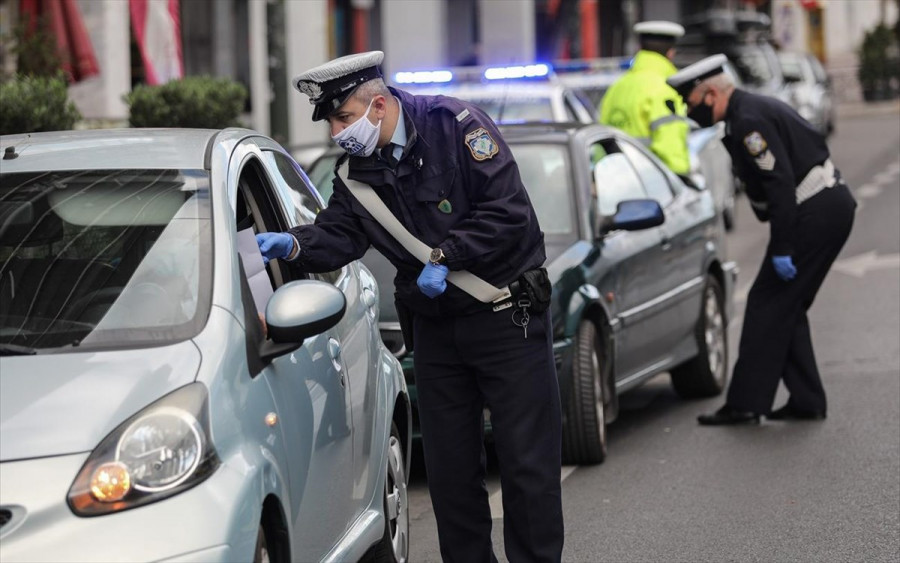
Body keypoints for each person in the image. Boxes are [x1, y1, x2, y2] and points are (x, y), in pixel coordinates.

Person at [256, 51, 564, 562]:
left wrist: (447, 255)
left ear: (378, 105)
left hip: (507, 319)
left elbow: (509, 214)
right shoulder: (356, 174)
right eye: (332, 122)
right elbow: (341, 234)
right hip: (437, 331)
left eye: (343, 118)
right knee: (450, 478)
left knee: (527, 468)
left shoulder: (456, 127)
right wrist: (294, 245)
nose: (337, 132)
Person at [666, 55, 857, 425]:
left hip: (816, 211)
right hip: (823, 206)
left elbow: (780, 184)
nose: (690, 113)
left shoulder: (749, 121)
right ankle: (806, 399)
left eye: (691, 104)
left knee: (767, 302)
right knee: (785, 304)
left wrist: (783, 248)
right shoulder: (745, 113)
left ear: (709, 95)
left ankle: (746, 404)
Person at [599, 20, 691, 176]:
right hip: (653, 182)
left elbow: (600, 140)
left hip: (615, 180)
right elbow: (670, 144)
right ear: (671, 53)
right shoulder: (665, 89)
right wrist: (683, 178)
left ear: (640, 48)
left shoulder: (616, 88)